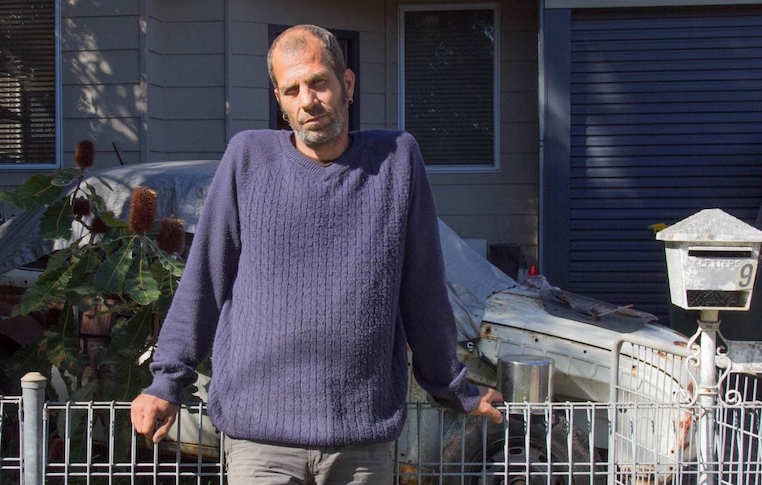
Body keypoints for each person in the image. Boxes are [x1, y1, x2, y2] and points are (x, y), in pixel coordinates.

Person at [130, 24, 503, 484]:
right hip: (260, 440)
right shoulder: (247, 159)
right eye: (292, 90)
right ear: (279, 100)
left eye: (318, 82)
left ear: (346, 84)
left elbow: (422, 286)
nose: (307, 100)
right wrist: (167, 381)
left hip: (361, 439)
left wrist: (454, 388)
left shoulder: (396, 161)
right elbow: (205, 280)